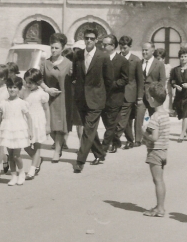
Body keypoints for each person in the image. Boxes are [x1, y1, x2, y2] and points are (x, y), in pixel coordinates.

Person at [72, 27, 113, 173]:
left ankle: (80, 160)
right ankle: (100, 153)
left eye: (91, 38)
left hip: (96, 100)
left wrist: (103, 97)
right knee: (90, 129)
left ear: (96, 40)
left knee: (88, 129)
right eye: (86, 38)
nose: (88, 40)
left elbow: (109, 80)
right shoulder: (77, 55)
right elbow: (75, 76)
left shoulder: (103, 57)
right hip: (81, 99)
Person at [39, 33, 73, 163]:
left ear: (62, 48)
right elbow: (38, 79)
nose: (53, 50)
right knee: (49, 127)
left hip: (63, 99)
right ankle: (60, 144)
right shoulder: (45, 63)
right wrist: (47, 89)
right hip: (48, 99)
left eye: (56, 48)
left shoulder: (69, 64)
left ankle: (57, 152)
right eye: (52, 47)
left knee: (59, 127)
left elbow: (73, 80)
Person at [0, 75, 33, 186]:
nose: (12, 89)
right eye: (10, 87)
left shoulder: (22, 103)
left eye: (15, 87)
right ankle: (13, 176)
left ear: (19, 89)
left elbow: (29, 117)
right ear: (7, 88)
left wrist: (30, 131)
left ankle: (21, 173)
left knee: (16, 155)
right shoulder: (3, 103)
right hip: (7, 129)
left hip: (18, 129)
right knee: (10, 155)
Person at [141, 82, 170, 218]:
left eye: (148, 97)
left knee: (157, 180)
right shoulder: (165, 114)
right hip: (164, 150)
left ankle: (160, 208)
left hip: (155, 151)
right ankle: (160, 206)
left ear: (152, 99)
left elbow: (154, 137)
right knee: (160, 180)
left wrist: (143, 132)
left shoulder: (155, 117)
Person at [101, 34, 129, 153]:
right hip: (101, 96)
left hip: (115, 96)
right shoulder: (100, 58)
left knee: (111, 122)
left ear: (112, 46)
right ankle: (116, 141)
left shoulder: (122, 60)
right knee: (107, 122)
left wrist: (112, 84)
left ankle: (104, 147)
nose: (102, 46)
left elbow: (125, 79)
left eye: (105, 44)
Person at [115, 35, 144, 151]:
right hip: (117, 93)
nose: (122, 49)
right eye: (121, 47)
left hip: (130, 94)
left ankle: (114, 139)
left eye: (125, 47)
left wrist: (140, 97)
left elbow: (140, 80)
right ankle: (130, 140)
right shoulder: (116, 58)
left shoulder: (136, 60)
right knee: (125, 119)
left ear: (130, 47)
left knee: (122, 118)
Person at [136, 42, 167, 145]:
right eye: (143, 50)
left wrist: (158, 96)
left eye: (146, 50)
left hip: (153, 96)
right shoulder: (139, 63)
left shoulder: (159, 64)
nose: (144, 52)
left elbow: (162, 81)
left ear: (152, 51)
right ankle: (138, 139)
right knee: (139, 115)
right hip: (141, 95)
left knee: (153, 117)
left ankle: (152, 136)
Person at [23, 68, 50, 179]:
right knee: (24, 145)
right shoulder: (24, 92)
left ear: (38, 82)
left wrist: (48, 125)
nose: (28, 85)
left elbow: (46, 109)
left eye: (31, 83)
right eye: (26, 82)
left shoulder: (42, 94)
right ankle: (37, 159)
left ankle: (32, 170)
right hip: (26, 121)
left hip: (38, 122)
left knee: (37, 146)